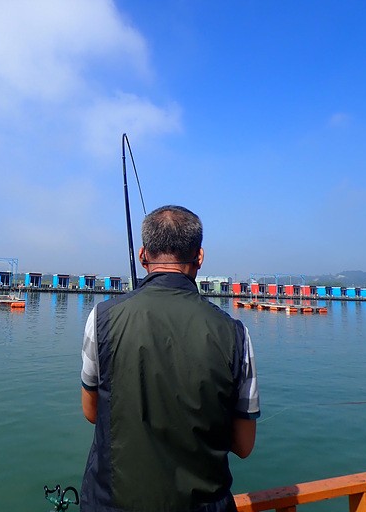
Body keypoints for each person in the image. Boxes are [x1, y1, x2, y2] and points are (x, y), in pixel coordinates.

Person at [80, 205, 260, 512]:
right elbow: (244, 445)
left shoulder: (101, 318)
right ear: (199, 257)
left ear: (143, 256)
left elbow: (91, 410)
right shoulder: (236, 334)